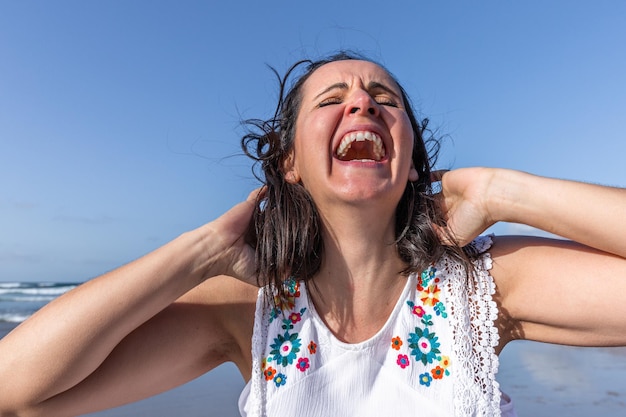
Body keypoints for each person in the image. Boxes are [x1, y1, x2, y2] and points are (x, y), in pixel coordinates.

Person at [1, 51, 626, 417]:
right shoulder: (249, 311)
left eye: (385, 97)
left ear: (411, 161)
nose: (362, 103)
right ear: (291, 164)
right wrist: (199, 255)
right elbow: (17, 389)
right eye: (333, 98)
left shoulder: (481, 289)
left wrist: (502, 193)